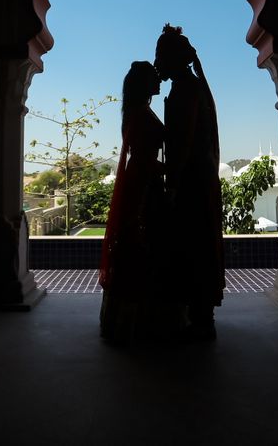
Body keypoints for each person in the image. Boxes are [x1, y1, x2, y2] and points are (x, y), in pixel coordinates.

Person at [154, 24, 224, 340]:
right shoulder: (189, 86)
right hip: (199, 177)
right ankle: (199, 312)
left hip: (192, 180)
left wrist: (171, 183)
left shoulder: (185, 89)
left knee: (192, 243)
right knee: (197, 242)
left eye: (161, 55)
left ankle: (198, 314)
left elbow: (181, 142)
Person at [99, 61, 170, 343]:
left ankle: (130, 321)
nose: (159, 79)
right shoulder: (141, 114)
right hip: (142, 183)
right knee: (140, 244)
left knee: (137, 246)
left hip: (143, 179)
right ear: (144, 84)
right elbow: (142, 158)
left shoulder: (137, 111)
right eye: (154, 77)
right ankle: (139, 324)